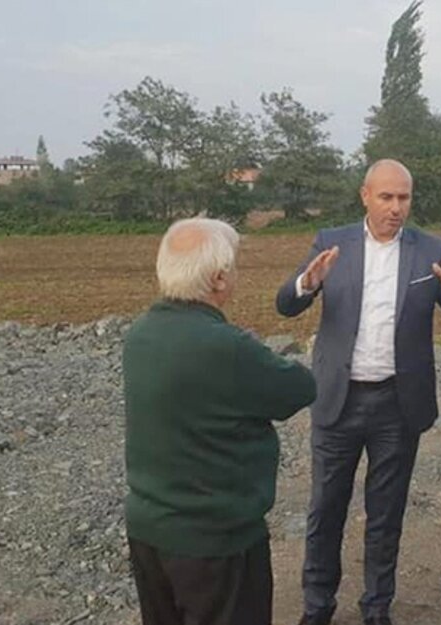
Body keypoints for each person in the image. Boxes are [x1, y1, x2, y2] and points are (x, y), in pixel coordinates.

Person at [276, 159, 441, 625]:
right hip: (339, 399)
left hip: (397, 404)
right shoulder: (332, 243)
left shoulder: (431, 249)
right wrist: (308, 283)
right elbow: (285, 304)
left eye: (403, 198)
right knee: (325, 510)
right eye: (386, 197)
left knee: (386, 515)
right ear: (365, 196)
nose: (395, 207)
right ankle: (317, 606)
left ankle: (376, 608)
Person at [123, 218, 318, 625]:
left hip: (149, 529)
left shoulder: (140, 334)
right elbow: (300, 388)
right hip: (216, 542)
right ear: (218, 278)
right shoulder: (226, 347)